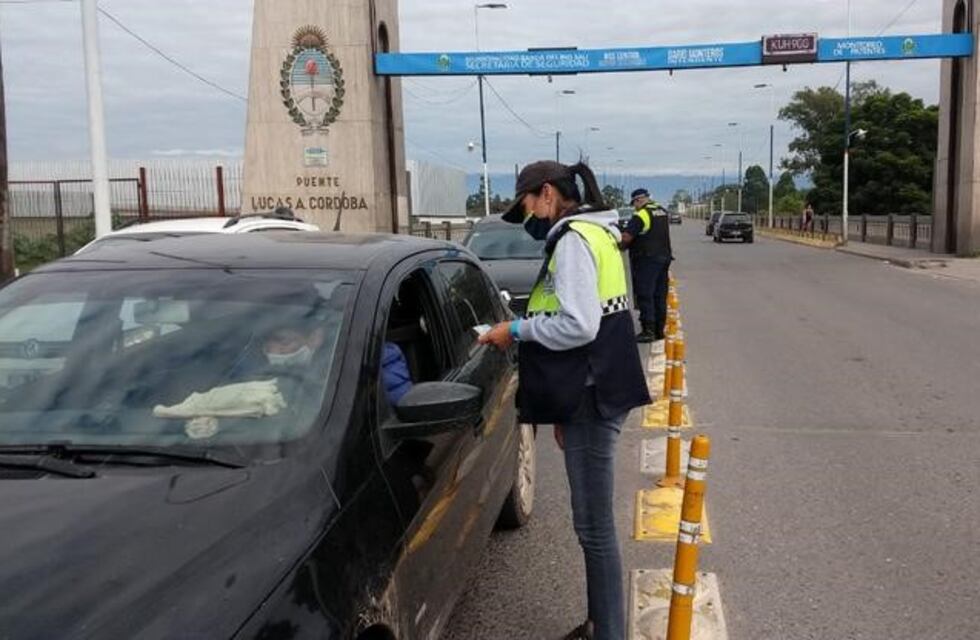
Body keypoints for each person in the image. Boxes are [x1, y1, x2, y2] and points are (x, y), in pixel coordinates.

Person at [479, 160, 651, 640]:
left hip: (593, 393)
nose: (529, 215)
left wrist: (513, 329)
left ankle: (609, 633)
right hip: (595, 389)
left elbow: (578, 324)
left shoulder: (574, 239)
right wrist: (564, 411)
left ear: (548, 193)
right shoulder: (600, 230)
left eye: (529, 203)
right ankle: (601, 626)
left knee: (594, 529)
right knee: (592, 527)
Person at [619, 188, 672, 343]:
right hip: (664, 258)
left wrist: (618, 244)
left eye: (634, 203)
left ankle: (648, 330)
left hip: (646, 259)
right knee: (660, 294)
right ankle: (659, 330)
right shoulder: (661, 211)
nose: (634, 206)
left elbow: (627, 237)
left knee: (645, 294)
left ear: (638, 200)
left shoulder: (641, 214)